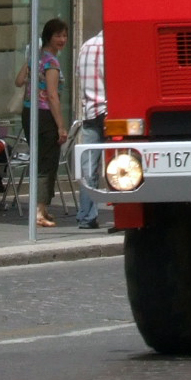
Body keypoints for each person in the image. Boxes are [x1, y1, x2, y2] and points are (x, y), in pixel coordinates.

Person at [15, 17, 69, 228]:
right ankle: (39, 210)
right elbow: (52, 96)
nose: (62, 39)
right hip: (45, 115)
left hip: (29, 113)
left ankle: (42, 208)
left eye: (64, 35)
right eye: (58, 35)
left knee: (39, 159)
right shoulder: (51, 63)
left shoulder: (36, 58)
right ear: (48, 36)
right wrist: (61, 125)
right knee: (47, 162)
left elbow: (18, 81)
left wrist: (29, 63)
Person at [75, 30, 106, 230]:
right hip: (111, 111)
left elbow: (79, 76)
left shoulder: (85, 46)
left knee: (88, 167)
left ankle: (86, 215)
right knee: (120, 163)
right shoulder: (111, 47)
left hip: (90, 111)